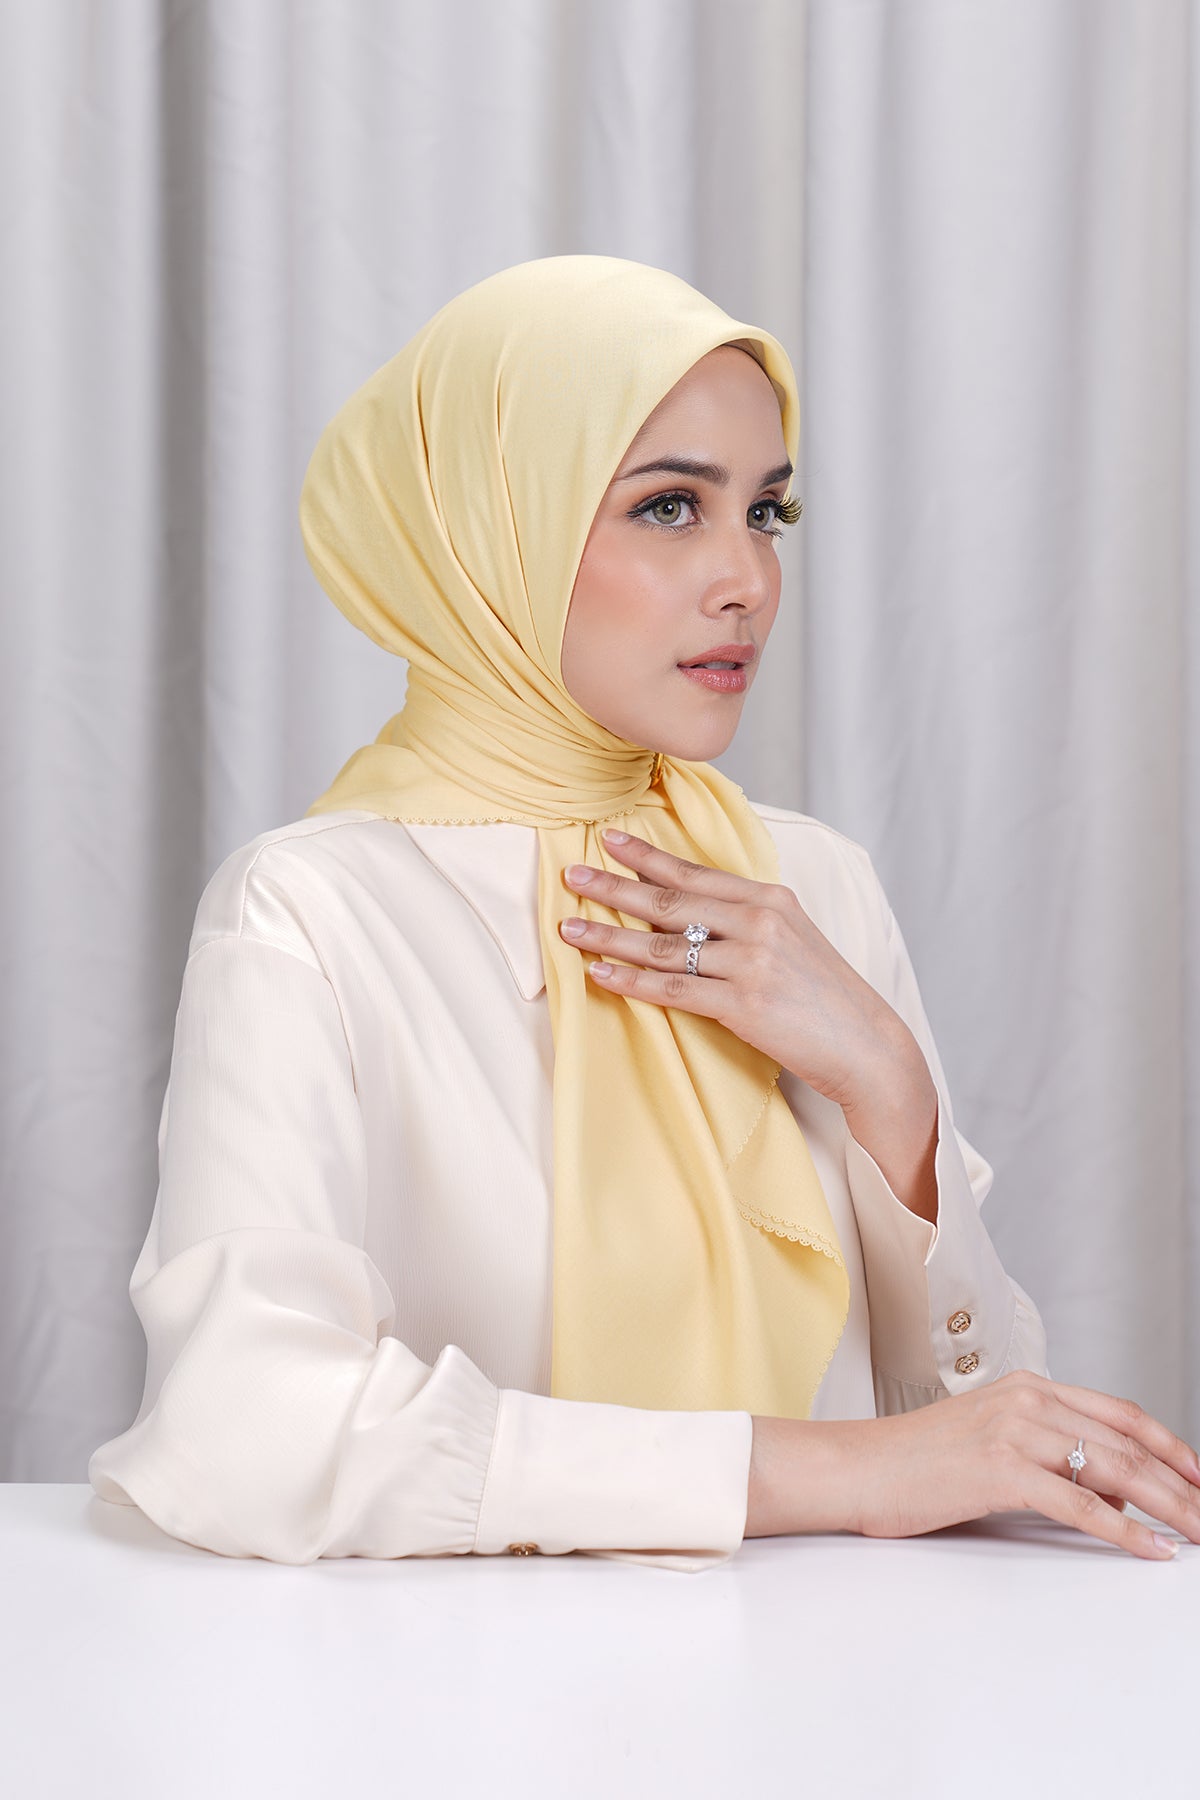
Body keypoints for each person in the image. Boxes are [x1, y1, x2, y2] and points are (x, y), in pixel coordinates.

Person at [89, 255, 1200, 1567]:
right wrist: (820, 1467)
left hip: (849, 1668)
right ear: (492, 529)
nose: (748, 579)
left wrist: (890, 1090)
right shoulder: (315, 914)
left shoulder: (810, 886)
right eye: (670, 507)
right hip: (458, 1685)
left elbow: (968, 1434)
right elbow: (247, 1430)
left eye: (768, 512)